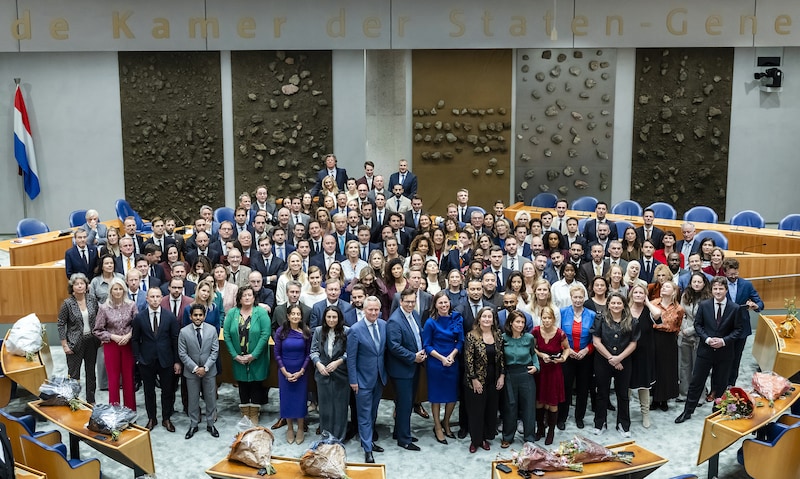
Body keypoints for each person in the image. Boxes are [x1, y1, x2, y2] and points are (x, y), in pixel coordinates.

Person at [675, 277, 745, 423]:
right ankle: (688, 411)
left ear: (726, 290)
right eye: (715, 289)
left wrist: (723, 341)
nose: (718, 292)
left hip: (725, 352)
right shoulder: (704, 305)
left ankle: (717, 410)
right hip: (705, 350)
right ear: (711, 290)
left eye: (721, 289)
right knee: (696, 382)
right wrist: (707, 339)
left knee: (721, 383)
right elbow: (698, 325)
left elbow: (738, 330)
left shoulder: (735, 308)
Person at [131, 287, 181, 432]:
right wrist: (137, 358)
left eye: (157, 296)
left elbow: (175, 339)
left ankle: (166, 418)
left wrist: (177, 361)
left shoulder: (169, 316)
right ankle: (152, 418)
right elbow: (135, 339)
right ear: (147, 298)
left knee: (167, 391)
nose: (154, 299)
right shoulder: (139, 317)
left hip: (166, 359)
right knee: (149, 391)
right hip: (146, 360)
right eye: (152, 297)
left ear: (161, 298)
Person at [591, 293, 640, 437]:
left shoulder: (632, 321)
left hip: (624, 361)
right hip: (603, 361)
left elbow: (633, 343)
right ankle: (600, 423)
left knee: (623, 394)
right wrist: (611, 358)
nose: (616, 306)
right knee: (602, 393)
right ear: (608, 305)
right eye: (613, 303)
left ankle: (623, 424)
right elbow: (596, 342)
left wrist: (619, 358)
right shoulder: (600, 319)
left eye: (619, 303)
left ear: (624, 305)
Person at [346, 296, 387, 464]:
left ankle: (368, 440)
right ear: (364, 310)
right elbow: (351, 358)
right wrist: (353, 380)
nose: (373, 312)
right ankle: (367, 449)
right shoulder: (355, 330)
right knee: (363, 415)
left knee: (373, 413)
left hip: (379, 378)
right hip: (362, 380)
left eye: (376, 309)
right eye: (370, 309)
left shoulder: (383, 325)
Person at [224, 286, 272, 425]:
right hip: (238, 357)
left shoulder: (261, 313)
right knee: (242, 384)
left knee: (256, 384)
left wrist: (254, 355)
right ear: (239, 298)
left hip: (257, 357)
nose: (247, 297)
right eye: (244, 295)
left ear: (254, 297)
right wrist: (234, 355)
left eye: (249, 295)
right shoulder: (232, 313)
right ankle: (245, 414)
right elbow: (226, 334)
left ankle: (255, 414)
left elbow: (265, 334)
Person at [386, 288, 426, 451]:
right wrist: (413, 357)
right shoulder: (395, 320)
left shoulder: (414, 314)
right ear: (401, 301)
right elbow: (394, 346)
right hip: (402, 369)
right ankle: (404, 439)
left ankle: (399, 432)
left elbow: (418, 335)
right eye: (407, 301)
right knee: (404, 404)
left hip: (414, 366)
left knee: (408, 403)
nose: (410, 304)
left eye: (413, 301)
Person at [423, 291, 465, 445]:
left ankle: (446, 422)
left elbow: (460, 341)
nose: (443, 305)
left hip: (452, 361)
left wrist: (452, 356)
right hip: (436, 362)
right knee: (436, 397)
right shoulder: (430, 322)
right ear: (435, 305)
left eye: (445, 302)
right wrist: (442, 358)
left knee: (452, 396)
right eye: (440, 302)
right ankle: (437, 426)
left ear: (449, 303)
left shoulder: (457, 319)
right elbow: (427, 345)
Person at [463, 307, 505, 453]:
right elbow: (468, 360)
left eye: (489, 317)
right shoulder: (471, 336)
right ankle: (475, 441)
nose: (487, 319)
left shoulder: (498, 335)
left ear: (493, 320)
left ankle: (484, 438)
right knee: (476, 411)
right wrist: (474, 379)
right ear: (479, 319)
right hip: (476, 379)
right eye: (484, 317)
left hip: (493, 378)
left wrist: (502, 376)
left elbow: (502, 357)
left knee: (490, 410)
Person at [93, 276, 137, 409]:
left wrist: (129, 335)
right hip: (111, 345)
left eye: (120, 289)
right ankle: (114, 410)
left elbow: (138, 325)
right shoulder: (104, 308)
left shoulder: (131, 305)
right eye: (115, 289)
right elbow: (97, 330)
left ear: (124, 290)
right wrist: (112, 337)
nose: (118, 292)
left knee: (128, 378)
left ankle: (130, 409)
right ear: (110, 291)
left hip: (128, 345)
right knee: (113, 379)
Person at [58, 273, 101, 404]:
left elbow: (99, 317)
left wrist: (100, 335)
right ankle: (73, 401)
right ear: (72, 287)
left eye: (82, 283)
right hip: (75, 342)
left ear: (86, 286)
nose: (80, 286)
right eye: (76, 284)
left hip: (91, 341)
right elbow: (61, 324)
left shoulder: (92, 299)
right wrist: (64, 345)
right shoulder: (67, 303)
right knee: (74, 374)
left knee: (91, 372)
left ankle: (91, 400)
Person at [557, 286, 596, 430]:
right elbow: (558, 335)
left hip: (585, 356)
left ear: (584, 298)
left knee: (583, 388)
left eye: (581, 297)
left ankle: (580, 417)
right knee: (565, 388)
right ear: (571, 297)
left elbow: (596, 337)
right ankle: (562, 417)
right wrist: (568, 350)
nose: (578, 300)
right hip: (567, 356)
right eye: (575, 297)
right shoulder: (562, 312)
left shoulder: (592, 315)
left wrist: (587, 350)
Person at [179, 304, 220, 439]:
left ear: (204, 316)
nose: (198, 317)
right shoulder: (184, 332)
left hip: (209, 370)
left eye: (200, 315)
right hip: (191, 372)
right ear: (190, 317)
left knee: (210, 398)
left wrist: (206, 367)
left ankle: (210, 424)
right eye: (195, 315)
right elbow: (182, 353)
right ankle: (193, 424)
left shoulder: (212, 330)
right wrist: (196, 368)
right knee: (193, 399)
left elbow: (215, 351)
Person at [310, 306, 350, 441]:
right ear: (324, 318)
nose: (331, 320)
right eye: (328, 317)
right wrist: (318, 364)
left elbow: (349, 351)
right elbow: (313, 351)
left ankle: (338, 438)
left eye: (334, 317)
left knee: (340, 408)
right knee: (325, 407)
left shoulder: (346, 331)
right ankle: (326, 436)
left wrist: (339, 362)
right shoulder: (318, 331)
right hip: (323, 373)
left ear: (339, 318)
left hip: (341, 374)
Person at [274, 304, 312, 444]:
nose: (296, 316)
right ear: (288, 316)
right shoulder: (281, 331)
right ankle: (289, 428)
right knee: (287, 400)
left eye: (298, 314)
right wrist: (284, 371)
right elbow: (277, 353)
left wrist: (301, 371)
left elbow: (308, 354)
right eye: (293, 314)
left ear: (301, 316)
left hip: (301, 371)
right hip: (285, 371)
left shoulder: (306, 332)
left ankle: (300, 428)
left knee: (300, 400)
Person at [500, 310, 539, 447]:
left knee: (528, 406)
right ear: (510, 323)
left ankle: (529, 437)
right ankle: (507, 437)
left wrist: (536, 366)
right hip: (509, 374)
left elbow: (533, 354)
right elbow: (500, 358)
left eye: (522, 322)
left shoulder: (529, 337)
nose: (520, 325)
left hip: (526, 374)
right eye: (517, 322)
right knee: (510, 406)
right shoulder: (503, 338)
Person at [723, 258, 763, 387]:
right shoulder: (719, 284)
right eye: (730, 274)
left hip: (741, 327)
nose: (733, 276)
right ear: (725, 272)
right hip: (723, 327)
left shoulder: (746, 285)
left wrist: (755, 305)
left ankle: (731, 385)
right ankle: (720, 385)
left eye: (736, 273)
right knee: (723, 358)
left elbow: (760, 302)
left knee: (736, 358)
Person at [532, 306, 569, 445]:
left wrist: (563, 358)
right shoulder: (536, 331)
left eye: (549, 318)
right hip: (540, 370)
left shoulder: (560, 333)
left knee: (552, 402)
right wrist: (541, 355)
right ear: (541, 318)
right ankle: (540, 428)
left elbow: (567, 349)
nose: (547, 320)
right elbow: (532, 348)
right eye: (544, 318)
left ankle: (551, 431)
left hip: (554, 370)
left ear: (553, 319)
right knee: (539, 401)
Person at [627, 284, 661, 428]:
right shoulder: (625, 310)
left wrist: (647, 302)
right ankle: (625, 413)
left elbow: (658, 314)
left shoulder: (649, 311)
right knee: (626, 384)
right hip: (627, 352)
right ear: (631, 295)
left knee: (644, 384)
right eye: (636, 292)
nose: (638, 295)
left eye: (641, 293)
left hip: (645, 353)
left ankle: (645, 414)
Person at [650, 281, 683, 411]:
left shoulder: (679, 308)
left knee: (667, 370)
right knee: (655, 367)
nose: (664, 288)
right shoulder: (653, 304)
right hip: (654, 337)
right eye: (663, 287)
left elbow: (678, 325)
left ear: (674, 291)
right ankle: (654, 398)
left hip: (669, 340)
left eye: (667, 287)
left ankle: (664, 398)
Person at [678, 272, 711, 403]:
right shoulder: (685, 295)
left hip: (700, 336)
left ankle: (699, 397)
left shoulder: (708, 298)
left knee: (698, 369)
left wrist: (690, 330)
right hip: (684, 335)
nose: (696, 284)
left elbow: (706, 320)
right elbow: (682, 314)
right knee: (684, 366)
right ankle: (684, 394)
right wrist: (683, 329)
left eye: (699, 282)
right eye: (694, 282)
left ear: (704, 283)